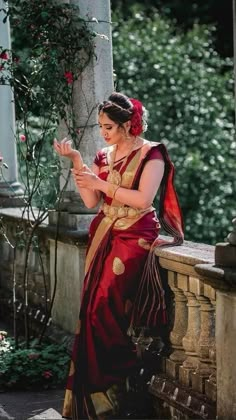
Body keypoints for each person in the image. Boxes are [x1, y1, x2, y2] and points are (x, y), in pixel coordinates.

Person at [53, 92, 184, 419]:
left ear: (128, 124)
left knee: (105, 306)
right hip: (105, 233)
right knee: (92, 309)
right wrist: (76, 162)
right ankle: (101, 397)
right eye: (100, 126)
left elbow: (142, 200)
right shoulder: (102, 154)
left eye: (109, 126)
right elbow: (89, 201)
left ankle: (120, 389)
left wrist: (100, 182)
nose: (104, 132)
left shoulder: (151, 154)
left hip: (135, 234)